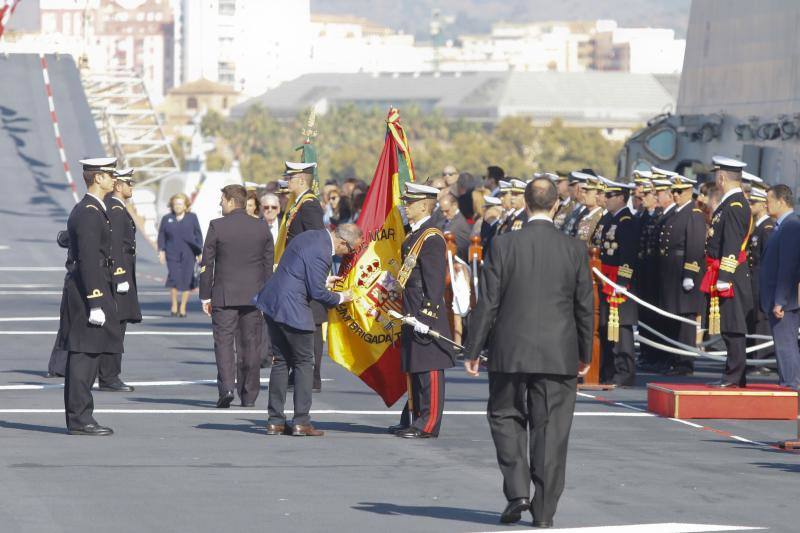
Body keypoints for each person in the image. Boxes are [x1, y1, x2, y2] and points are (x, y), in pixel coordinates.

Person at [463, 177, 593, 528]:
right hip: (558, 352)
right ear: (556, 206)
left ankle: (518, 490)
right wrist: (586, 353)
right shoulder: (574, 249)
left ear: (524, 203)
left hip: (510, 349)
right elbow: (584, 306)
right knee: (551, 431)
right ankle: (544, 511)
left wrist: (474, 348)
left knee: (505, 416)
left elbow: (487, 302)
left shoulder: (504, 245)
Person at [253, 225, 360, 436]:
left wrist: (323, 280)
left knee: (281, 361)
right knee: (304, 363)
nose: (350, 254)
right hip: (292, 309)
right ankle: (302, 421)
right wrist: (342, 297)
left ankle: (275, 421)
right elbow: (317, 292)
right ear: (342, 243)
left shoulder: (312, 236)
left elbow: (298, 270)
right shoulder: (323, 253)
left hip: (273, 303)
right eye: (351, 250)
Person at [58, 157, 124, 436]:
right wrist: (95, 301)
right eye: (110, 175)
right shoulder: (88, 212)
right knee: (83, 355)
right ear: (97, 178)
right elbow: (87, 260)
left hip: (96, 287)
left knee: (91, 353)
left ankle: (82, 415)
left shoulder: (96, 210)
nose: (114, 180)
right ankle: (80, 418)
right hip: (88, 293)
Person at [199, 185, 274, 408]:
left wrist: (205, 296)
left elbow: (207, 264)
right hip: (254, 296)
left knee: (223, 343)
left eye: (222, 200)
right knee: (250, 345)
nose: (220, 204)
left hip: (224, 295)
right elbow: (267, 265)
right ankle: (249, 395)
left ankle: (227, 388)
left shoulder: (217, 226)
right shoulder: (261, 227)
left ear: (232, 201)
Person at [391, 183, 454, 439]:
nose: (406, 206)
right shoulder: (415, 234)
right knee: (414, 365)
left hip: (423, 308)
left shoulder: (431, 237)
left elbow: (434, 281)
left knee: (429, 367)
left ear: (425, 205)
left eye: (411, 202)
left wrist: (426, 316)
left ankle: (428, 424)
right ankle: (414, 417)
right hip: (411, 304)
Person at [701, 156, 753, 388]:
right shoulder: (729, 203)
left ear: (721, 177)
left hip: (730, 275)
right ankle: (733, 374)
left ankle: (734, 376)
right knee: (728, 326)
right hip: (723, 271)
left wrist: (724, 277)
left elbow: (732, 244)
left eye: (716, 175)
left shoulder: (734, 205)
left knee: (733, 326)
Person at [656, 175, 707, 376]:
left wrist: (689, 274)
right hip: (671, 270)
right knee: (673, 317)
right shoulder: (676, 213)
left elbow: (694, 247)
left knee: (685, 319)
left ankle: (685, 362)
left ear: (689, 192)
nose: (675, 195)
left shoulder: (693, 213)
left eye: (679, 192)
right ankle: (674, 359)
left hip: (684, 270)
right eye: (673, 191)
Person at [99, 168, 141, 393]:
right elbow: (114, 246)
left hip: (122, 274)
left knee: (118, 326)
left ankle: (109, 374)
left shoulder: (118, 208)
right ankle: (109, 376)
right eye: (128, 183)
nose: (131, 186)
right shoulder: (115, 210)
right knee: (115, 327)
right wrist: (120, 276)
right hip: (119, 278)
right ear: (118, 186)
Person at [597, 178, 638, 387]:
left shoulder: (626, 221)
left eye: (610, 195)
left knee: (621, 329)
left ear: (621, 198)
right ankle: (609, 369)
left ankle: (625, 371)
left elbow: (628, 255)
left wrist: (623, 280)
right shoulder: (609, 219)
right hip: (606, 278)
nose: (605, 199)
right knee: (606, 327)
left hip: (619, 281)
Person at [760, 184, 800, 389]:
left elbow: (788, 267)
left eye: (769, 200)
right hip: (779, 298)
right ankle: (788, 383)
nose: (766, 204)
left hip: (784, 301)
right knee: (783, 345)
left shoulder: (791, 225)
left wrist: (780, 301)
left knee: (786, 345)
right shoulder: (782, 226)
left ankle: (792, 386)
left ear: (781, 201)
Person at [157, 193, 203, 317]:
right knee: (174, 278)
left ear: (185, 205)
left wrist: (199, 252)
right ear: (172, 205)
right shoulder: (167, 218)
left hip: (189, 253)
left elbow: (198, 235)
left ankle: (182, 307)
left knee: (187, 279)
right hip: (172, 253)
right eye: (176, 204)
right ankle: (174, 305)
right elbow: (161, 235)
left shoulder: (192, 217)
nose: (178, 206)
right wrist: (161, 251)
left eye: (180, 204)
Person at [746, 186, 775, 372]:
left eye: (753, 202)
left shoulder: (767, 228)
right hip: (753, 278)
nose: (750, 205)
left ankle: (763, 359)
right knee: (754, 318)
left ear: (763, 205)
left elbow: (768, 258)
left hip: (761, 279)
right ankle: (755, 358)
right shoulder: (757, 227)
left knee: (762, 319)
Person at [438, 191, 471, 261]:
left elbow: (462, 250)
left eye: (447, 211)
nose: (444, 214)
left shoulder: (459, 224)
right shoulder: (446, 221)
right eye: (442, 211)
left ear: (455, 206)